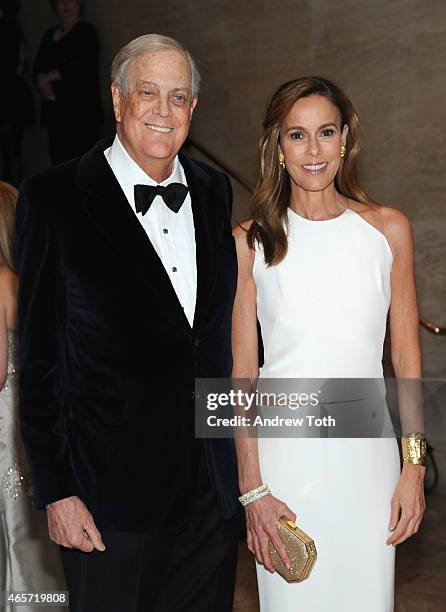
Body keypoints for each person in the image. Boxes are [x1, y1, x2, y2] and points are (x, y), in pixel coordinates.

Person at [16, 34, 240, 612]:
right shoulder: (53, 198)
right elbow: (40, 363)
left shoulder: (214, 193)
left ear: (194, 108)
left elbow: (213, 343)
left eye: (180, 97)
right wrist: (58, 491)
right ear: (117, 100)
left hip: (210, 495)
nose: (164, 111)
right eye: (148, 93)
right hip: (107, 499)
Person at [232, 77, 426, 611]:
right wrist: (252, 489)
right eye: (297, 135)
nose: (312, 150)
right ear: (279, 145)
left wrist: (414, 464)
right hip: (284, 466)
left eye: (325, 133)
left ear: (346, 139)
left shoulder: (389, 232)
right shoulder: (249, 243)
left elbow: (407, 358)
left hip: (368, 465)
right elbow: (242, 376)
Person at [0, 181, 66, 611]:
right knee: (28, 530)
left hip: (4, 426)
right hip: (24, 421)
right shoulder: (21, 282)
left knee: (13, 528)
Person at [33, 0, 102, 165]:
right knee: (59, 163)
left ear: (79, 4)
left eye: (70, 0)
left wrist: (52, 76)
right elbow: (37, 66)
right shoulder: (49, 34)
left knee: (82, 163)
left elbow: (83, 64)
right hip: (55, 110)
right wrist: (42, 82)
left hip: (81, 110)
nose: (65, 5)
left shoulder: (86, 31)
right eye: (60, 1)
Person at [0, 0, 35, 185]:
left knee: (11, 153)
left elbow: (15, 64)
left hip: (8, 96)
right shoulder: (12, 27)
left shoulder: (9, 28)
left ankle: (11, 206)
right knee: (11, 153)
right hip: (11, 94)